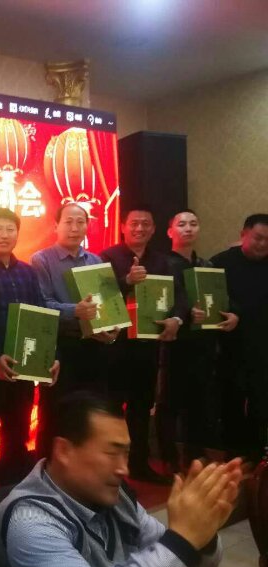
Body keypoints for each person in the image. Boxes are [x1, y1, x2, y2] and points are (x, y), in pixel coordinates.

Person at [0, 391, 242, 567]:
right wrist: (182, 540)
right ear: (64, 451)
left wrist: (203, 536)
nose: (124, 469)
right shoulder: (31, 522)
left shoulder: (116, 497)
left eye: (126, 453)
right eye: (112, 453)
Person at [0, 208, 59, 491]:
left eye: (10, 229)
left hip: (23, 369)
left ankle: (14, 496)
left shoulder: (28, 273)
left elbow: (40, 316)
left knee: (16, 436)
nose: (4, 235)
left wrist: (51, 356)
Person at [100, 205, 187, 484]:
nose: (139, 228)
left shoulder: (162, 261)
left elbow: (180, 296)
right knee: (112, 409)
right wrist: (126, 281)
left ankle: (139, 464)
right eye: (134, 223)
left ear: (154, 229)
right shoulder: (107, 257)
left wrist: (176, 319)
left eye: (145, 224)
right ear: (123, 227)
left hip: (147, 347)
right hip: (114, 347)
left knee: (140, 408)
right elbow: (99, 294)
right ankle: (108, 468)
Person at [30, 203, 114, 456]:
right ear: (56, 225)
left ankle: (84, 468)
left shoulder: (96, 261)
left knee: (90, 415)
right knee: (55, 415)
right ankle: (47, 469)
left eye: (80, 222)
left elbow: (108, 305)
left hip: (94, 347)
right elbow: (42, 304)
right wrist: (75, 311)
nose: (75, 228)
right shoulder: (42, 260)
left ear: (87, 226)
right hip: (60, 347)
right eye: (68, 222)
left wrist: (112, 329)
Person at [160, 210, 238, 470]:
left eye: (193, 224)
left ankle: (195, 455)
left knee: (200, 401)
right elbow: (157, 304)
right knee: (171, 402)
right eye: (181, 224)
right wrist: (183, 314)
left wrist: (232, 314)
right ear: (170, 231)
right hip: (174, 344)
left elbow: (222, 299)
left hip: (204, 343)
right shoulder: (162, 264)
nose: (188, 228)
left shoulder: (208, 265)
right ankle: (169, 458)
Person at [211, 213, 268, 461]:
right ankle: (233, 457)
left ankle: (258, 458)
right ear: (243, 234)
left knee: (261, 405)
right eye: (258, 238)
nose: (263, 244)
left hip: (263, 347)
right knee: (230, 402)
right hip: (229, 347)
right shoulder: (220, 263)